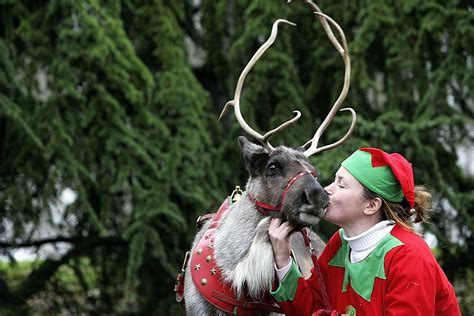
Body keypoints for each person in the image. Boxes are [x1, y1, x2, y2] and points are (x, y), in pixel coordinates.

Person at [268, 147, 461, 315]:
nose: (326, 189)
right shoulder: (341, 243)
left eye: (341, 185)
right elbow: (311, 308)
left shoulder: (409, 257)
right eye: (334, 181)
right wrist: (283, 259)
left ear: (371, 205)